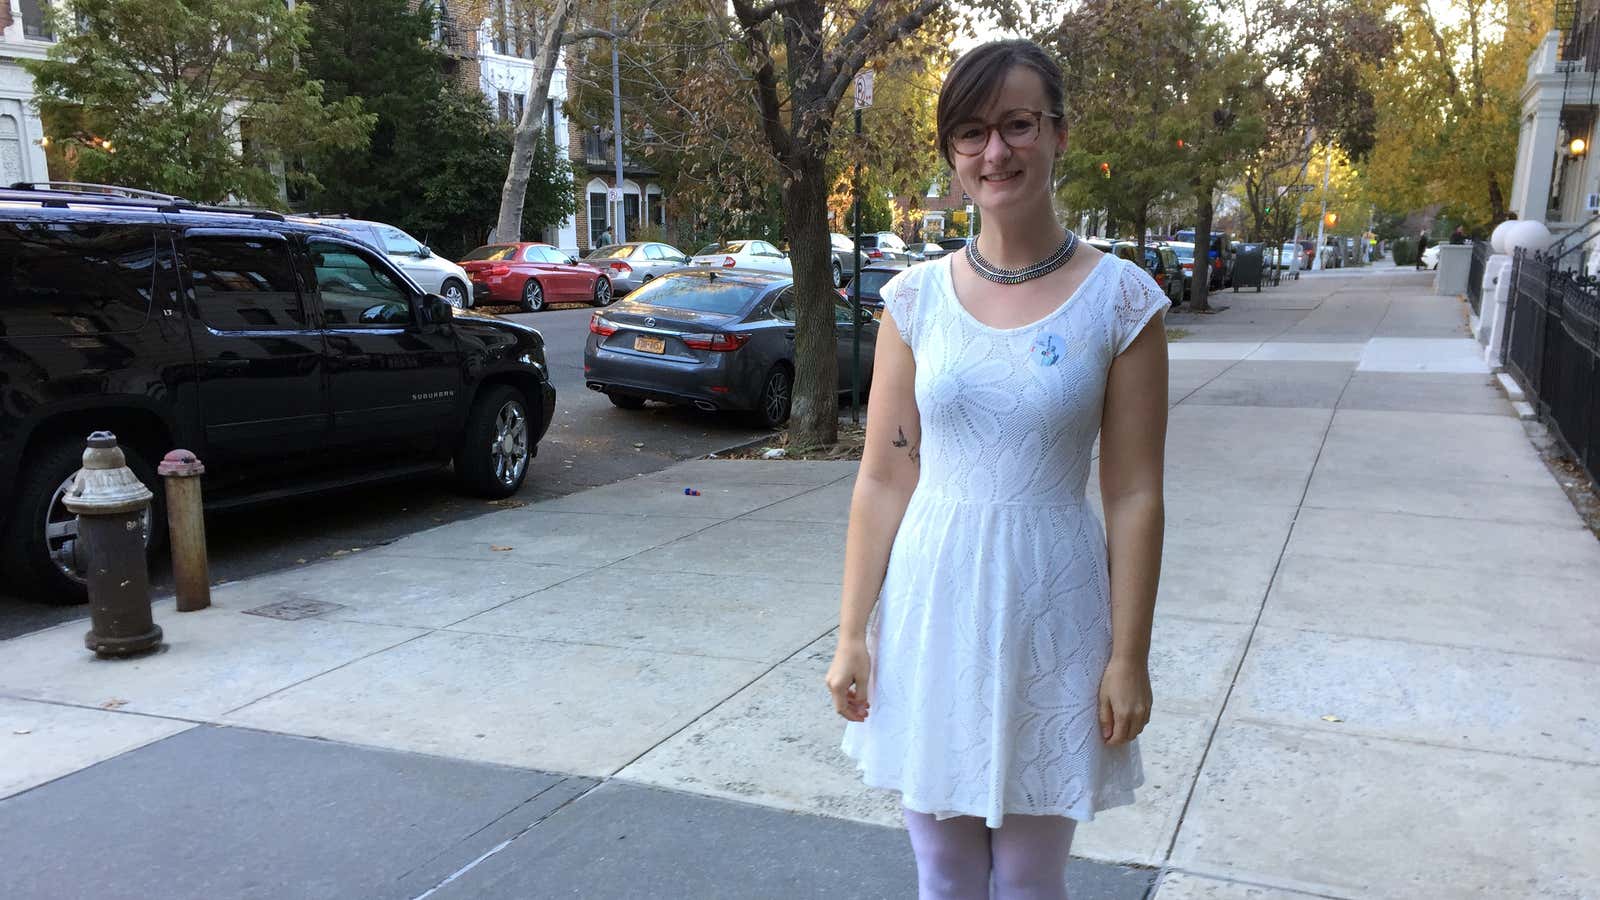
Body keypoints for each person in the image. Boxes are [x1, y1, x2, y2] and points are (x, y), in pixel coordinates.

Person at [826, 39, 1168, 900]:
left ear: (1056, 133)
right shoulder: (914, 300)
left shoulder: (1121, 300)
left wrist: (1130, 656)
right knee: (942, 870)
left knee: (1027, 880)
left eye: (1017, 124)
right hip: (933, 601)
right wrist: (852, 631)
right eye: (971, 133)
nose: (994, 152)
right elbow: (883, 478)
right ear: (951, 152)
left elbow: (1133, 494)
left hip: (1054, 606)